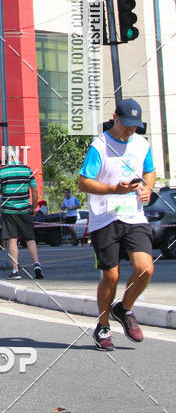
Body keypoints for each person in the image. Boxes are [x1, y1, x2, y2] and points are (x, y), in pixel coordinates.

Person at [78, 98, 155, 351]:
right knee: (111, 275)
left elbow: (149, 171)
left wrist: (147, 189)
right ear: (115, 118)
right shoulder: (99, 146)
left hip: (134, 216)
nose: (130, 130)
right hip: (104, 218)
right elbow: (83, 182)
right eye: (126, 125)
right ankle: (102, 325)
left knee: (146, 269)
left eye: (135, 126)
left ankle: (124, 308)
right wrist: (114, 189)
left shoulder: (142, 144)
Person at [0, 161, 43, 280]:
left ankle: (15, 271)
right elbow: (34, 189)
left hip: (9, 210)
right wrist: (34, 206)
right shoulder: (27, 170)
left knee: (12, 239)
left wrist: (6, 189)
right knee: (30, 238)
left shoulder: (2, 171)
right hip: (25, 209)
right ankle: (37, 264)